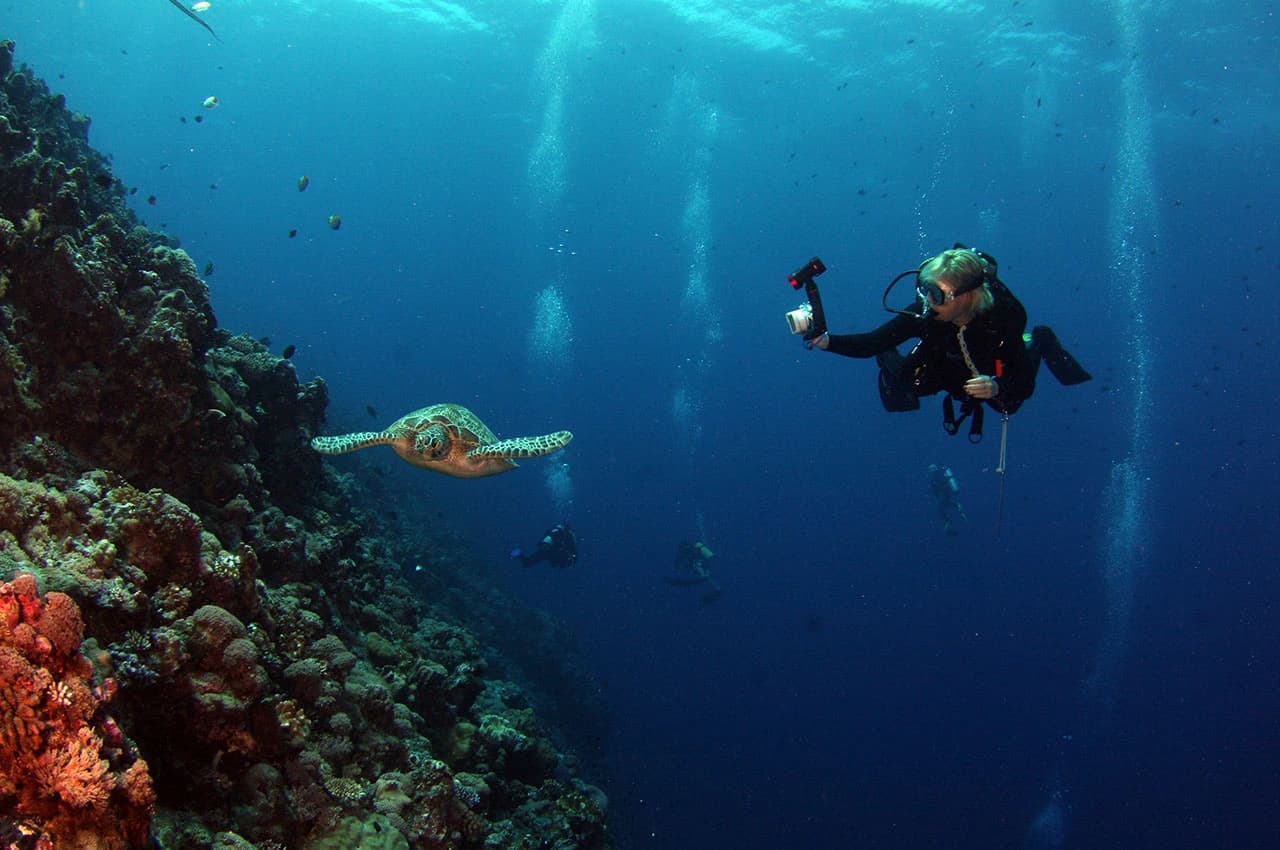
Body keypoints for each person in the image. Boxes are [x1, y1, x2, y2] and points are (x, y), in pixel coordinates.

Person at [806, 246, 1090, 438]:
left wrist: (997, 386)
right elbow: (871, 342)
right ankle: (896, 361)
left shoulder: (1002, 320)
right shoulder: (927, 313)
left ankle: (1040, 340)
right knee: (910, 383)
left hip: (988, 365)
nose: (928, 302)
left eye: (937, 295)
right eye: (925, 290)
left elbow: (1024, 381)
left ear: (966, 295)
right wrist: (827, 342)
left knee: (1008, 405)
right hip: (947, 358)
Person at [510, 523, 578, 568]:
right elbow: (573, 551)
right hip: (554, 552)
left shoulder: (555, 531)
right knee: (565, 560)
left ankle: (519, 553)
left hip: (546, 550)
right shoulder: (569, 535)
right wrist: (572, 559)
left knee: (527, 563)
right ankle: (519, 553)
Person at [928, 463, 968, 535]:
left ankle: (948, 521)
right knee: (946, 504)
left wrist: (936, 492)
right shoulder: (941, 474)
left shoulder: (935, 477)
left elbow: (935, 489)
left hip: (945, 493)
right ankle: (957, 507)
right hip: (947, 492)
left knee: (941, 508)